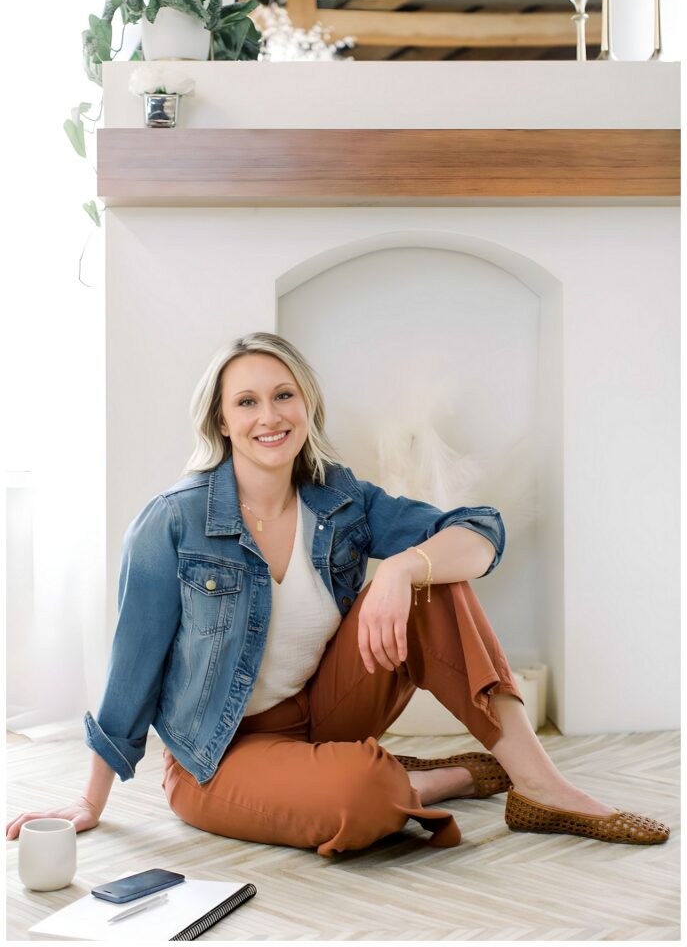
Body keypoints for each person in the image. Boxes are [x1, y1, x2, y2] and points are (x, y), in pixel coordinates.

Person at [6, 333, 669, 852]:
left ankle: (537, 785)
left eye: (283, 395)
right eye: (247, 401)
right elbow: (131, 670)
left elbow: (480, 532)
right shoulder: (172, 523)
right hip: (219, 757)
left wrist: (402, 570)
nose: (269, 416)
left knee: (434, 583)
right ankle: (432, 778)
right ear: (220, 419)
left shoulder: (340, 497)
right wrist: (90, 802)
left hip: (325, 708)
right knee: (361, 800)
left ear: (307, 404)